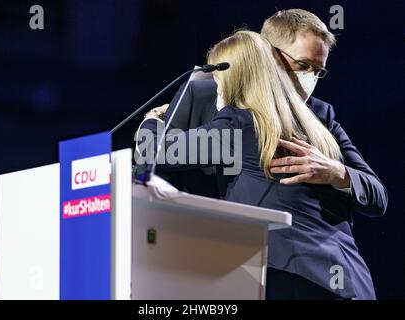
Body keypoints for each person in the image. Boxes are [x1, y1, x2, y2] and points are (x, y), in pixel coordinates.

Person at [136, 29, 385, 300]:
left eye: (218, 80)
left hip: (289, 276)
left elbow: (152, 152)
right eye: (303, 65)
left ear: (231, 78)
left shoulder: (239, 123)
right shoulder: (312, 125)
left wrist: (153, 117)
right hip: (350, 282)